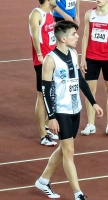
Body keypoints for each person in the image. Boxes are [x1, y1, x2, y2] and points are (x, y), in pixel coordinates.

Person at [34, 20, 103, 200]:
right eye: (74, 34)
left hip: (75, 109)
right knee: (69, 151)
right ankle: (78, 194)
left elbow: (80, 80)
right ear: (63, 38)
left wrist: (93, 102)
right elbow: (46, 90)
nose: (77, 36)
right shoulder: (51, 60)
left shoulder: (73, 54)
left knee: (66, 148)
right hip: (61, 112)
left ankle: (43, 180)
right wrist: (52, 117)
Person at [29, 0, 74, 146]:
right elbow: (36, 36)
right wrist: (39, 53)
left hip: (53, 59)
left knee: (53, 94)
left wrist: (66, 16)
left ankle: (48, 126)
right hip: (42, 61)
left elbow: (52, 36)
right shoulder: (36, 14)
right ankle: (43, 135)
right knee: (42, 96)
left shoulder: (49, 12)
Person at [80, 0, 108, 136]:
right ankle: (90, 124)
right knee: (90, 91)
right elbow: (85, 36)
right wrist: (83, 58)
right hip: (92, 58)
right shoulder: (89, 14)